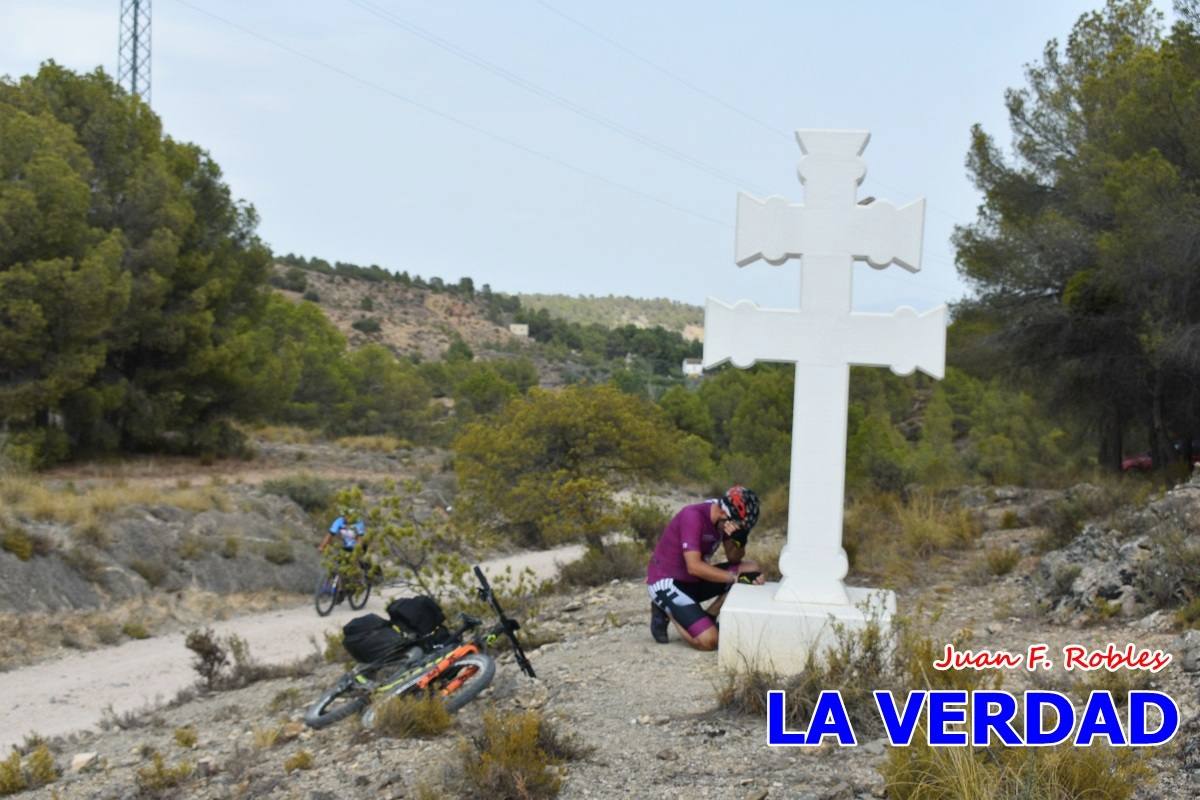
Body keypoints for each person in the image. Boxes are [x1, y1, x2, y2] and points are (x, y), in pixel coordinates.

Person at [646, 486, 763, 650]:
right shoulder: (693, 516)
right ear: (724, 514)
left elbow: (734, 558)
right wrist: (735, 579)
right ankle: (667, 611)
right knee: (709, 641)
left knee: (751, 569)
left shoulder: (723, 520)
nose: (737, 530)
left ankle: (709, 616)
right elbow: (694, 567)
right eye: (738, 526)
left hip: (693, 581)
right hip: (667, 581)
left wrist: (740, 540)